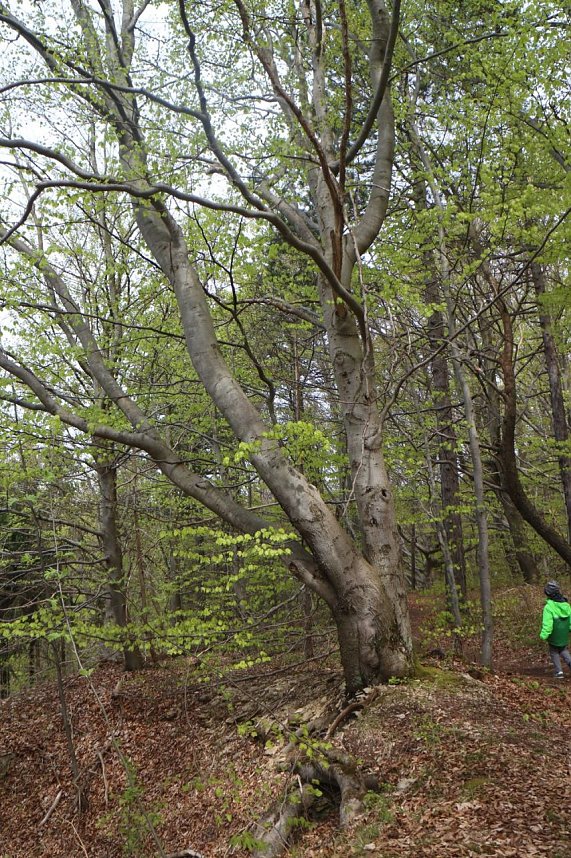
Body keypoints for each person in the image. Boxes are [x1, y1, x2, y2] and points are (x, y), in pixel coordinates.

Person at [540, 580, 571, 679]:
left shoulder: (548, 607)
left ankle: (559, 672)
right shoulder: (566, 605)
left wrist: (543, 635)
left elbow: (547, 624)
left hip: (554, 635)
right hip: (564, 634)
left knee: (554, 651)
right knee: (563, 649)